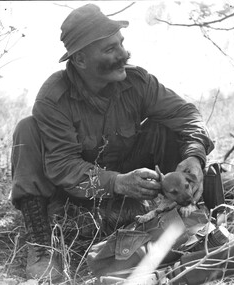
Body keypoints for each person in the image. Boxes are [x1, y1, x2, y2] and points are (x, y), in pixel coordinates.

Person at [11, 3, 214, 282]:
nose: (123, 54)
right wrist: (117, 182)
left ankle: (180, 214)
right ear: (80, 60)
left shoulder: (138, 82)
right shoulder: (53, 98)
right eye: (110, 49)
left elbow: (187, 114)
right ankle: (42, 245)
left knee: (167, 125)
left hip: (135, 197)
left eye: (121, 43)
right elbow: (62, 165)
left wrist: (195, 155)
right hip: (76, 199)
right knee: (26, 130)